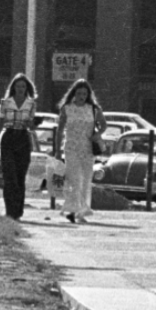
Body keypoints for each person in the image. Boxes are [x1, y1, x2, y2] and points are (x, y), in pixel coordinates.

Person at [55, 78, 105, 224]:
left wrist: (98, 134)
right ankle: (74, 209)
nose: (81, 96)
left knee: (85, 180)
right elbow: (59, 130)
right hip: (71, 148)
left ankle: (82, 212)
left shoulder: (93, 109)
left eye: (84, 93)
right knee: (74, 179)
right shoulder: (67, 108)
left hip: (88, 149)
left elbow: (104, 125)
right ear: (73, 94)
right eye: (79, 93)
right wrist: (57, 150)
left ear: (88, 95)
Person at [0, 72, 37, 220]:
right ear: (13, 87)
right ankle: (10, 210)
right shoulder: (6, 102)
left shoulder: (31, 104)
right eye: (18, 86)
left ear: (27, 88)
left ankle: (18, 211)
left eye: (23, 86)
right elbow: (1, 122)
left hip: (23, 137)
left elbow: (32, 125)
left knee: (20, 176)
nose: (21, 89)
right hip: (9, 138)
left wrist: (32, 124)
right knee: (9, 176)